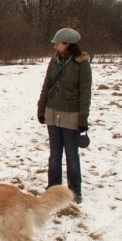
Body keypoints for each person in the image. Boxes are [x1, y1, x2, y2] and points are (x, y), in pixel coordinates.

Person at [37, 28, 92, 203]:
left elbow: (85, 93)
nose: (54, 45)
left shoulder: (82, 63)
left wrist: (83, 119)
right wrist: (41, 108)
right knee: (54, 155)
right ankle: (53, 189)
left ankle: (75, 192)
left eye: (57, 43)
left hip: (71, 115)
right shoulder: (54, 61)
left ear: (67, 44)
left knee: (71, 155)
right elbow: (46, 85)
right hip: (52, 113)